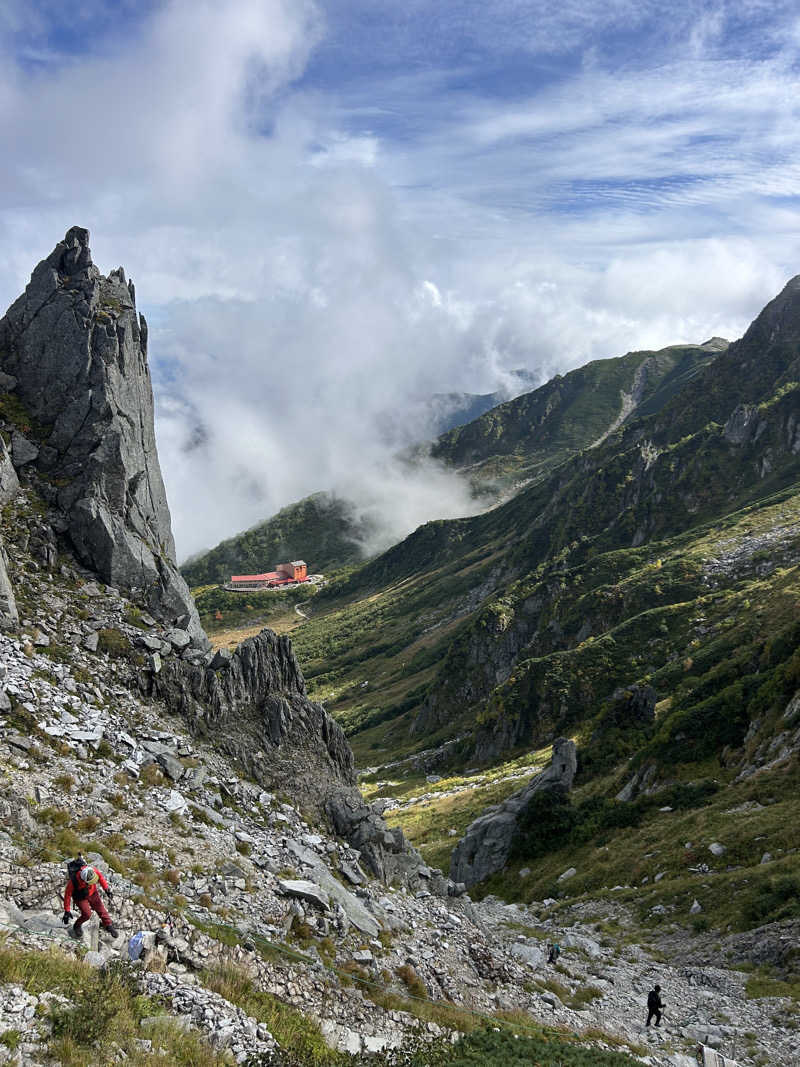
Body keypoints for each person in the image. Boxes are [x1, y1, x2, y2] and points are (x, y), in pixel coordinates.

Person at [62, 857, 119, 940]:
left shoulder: (92, 870)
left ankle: (108, 925)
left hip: (93, 893)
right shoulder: (73, 881)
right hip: (80, 897)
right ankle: (77, 925)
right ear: (84, 880)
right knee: (87, 914)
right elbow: (67, 895)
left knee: (101, 909)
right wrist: (67, 911)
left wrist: (106, 889)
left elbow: (101, 878)